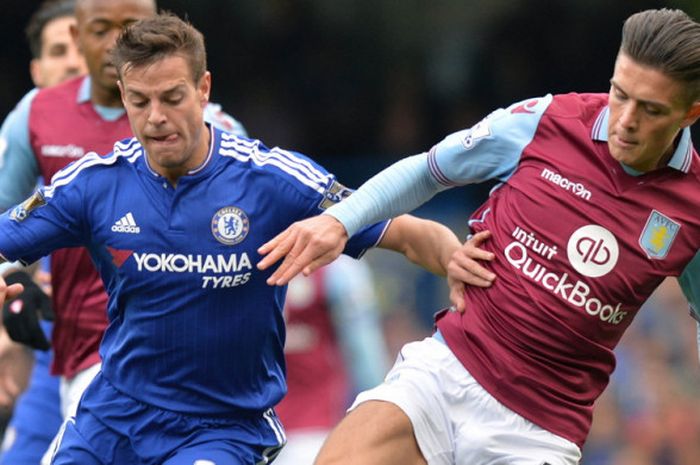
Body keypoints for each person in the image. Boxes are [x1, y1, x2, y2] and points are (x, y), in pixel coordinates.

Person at [0, 13, 463, 464]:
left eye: (172, 97)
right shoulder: (95, 183)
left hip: (222, 429)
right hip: (113, 419)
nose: (156, 117)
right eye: (140, 102)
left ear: (203, 89)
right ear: (122, 96)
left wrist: (463, 268)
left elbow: (409, 234)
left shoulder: (273, 181)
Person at [257, 8, 700, 464]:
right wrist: (340, 221)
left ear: (690, 113)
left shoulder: (693, 209)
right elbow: (430, 169)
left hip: (538, 433)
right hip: (444, 372)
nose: (625, 120)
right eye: (619, 94)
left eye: (651, 110)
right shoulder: (547, 121)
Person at [0, 1, 247, 463]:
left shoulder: (217, 130)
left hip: (161, 368)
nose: (116, 41)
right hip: (64, 351)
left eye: (130, 26)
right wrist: (21, 288)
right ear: (78, 34)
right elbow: (7, 223)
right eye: (101, 28)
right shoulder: (36, 114)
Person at [0, 1, 86, 463]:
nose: (73, 61)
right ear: (36, 70)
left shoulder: (167, 138)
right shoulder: (23, 153)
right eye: (57, 51)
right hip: (49, 363)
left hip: (145, 365)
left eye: (81, 45)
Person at [274, 256, 389, 465]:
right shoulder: (341, 269)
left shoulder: (242, 262)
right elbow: (363, 357)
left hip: (251, 439)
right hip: (316, 435)